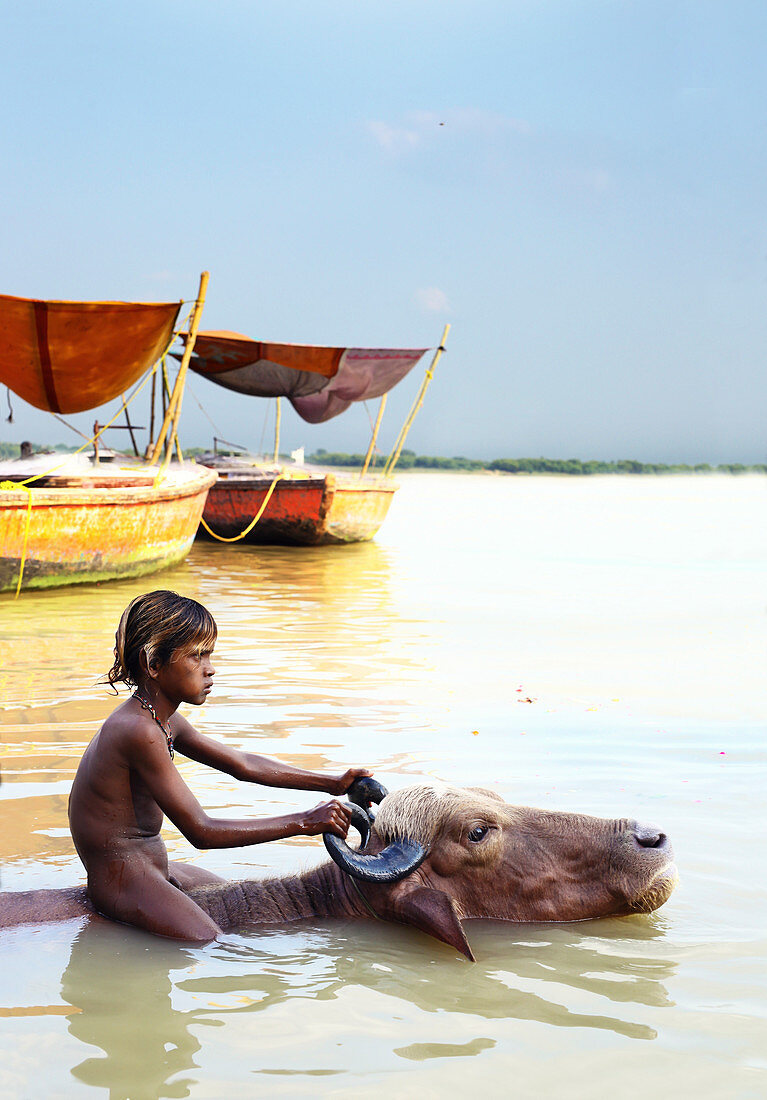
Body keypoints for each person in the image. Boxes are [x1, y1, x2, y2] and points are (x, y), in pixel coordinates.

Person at [68, 590, 370, 941]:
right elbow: (202, 832)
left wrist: (332, 783)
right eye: (197, 656)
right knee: (209, 941)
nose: (210, 669)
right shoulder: (139, 730)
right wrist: (305, 822)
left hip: (152, 866)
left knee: (232, 893)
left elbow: (243, 764)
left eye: (209, 654)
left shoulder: (162, 720)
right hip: (123, 879)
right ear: (153, 665)